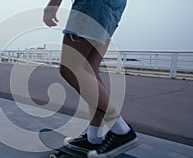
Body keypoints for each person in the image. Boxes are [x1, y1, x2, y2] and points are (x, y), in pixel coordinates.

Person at [43, 0, 138, 157]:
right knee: (88, 70)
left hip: (92, 3)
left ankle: (121, 130)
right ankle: (94, 138)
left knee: (70, 68)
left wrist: (54, 1)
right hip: (113, 6)